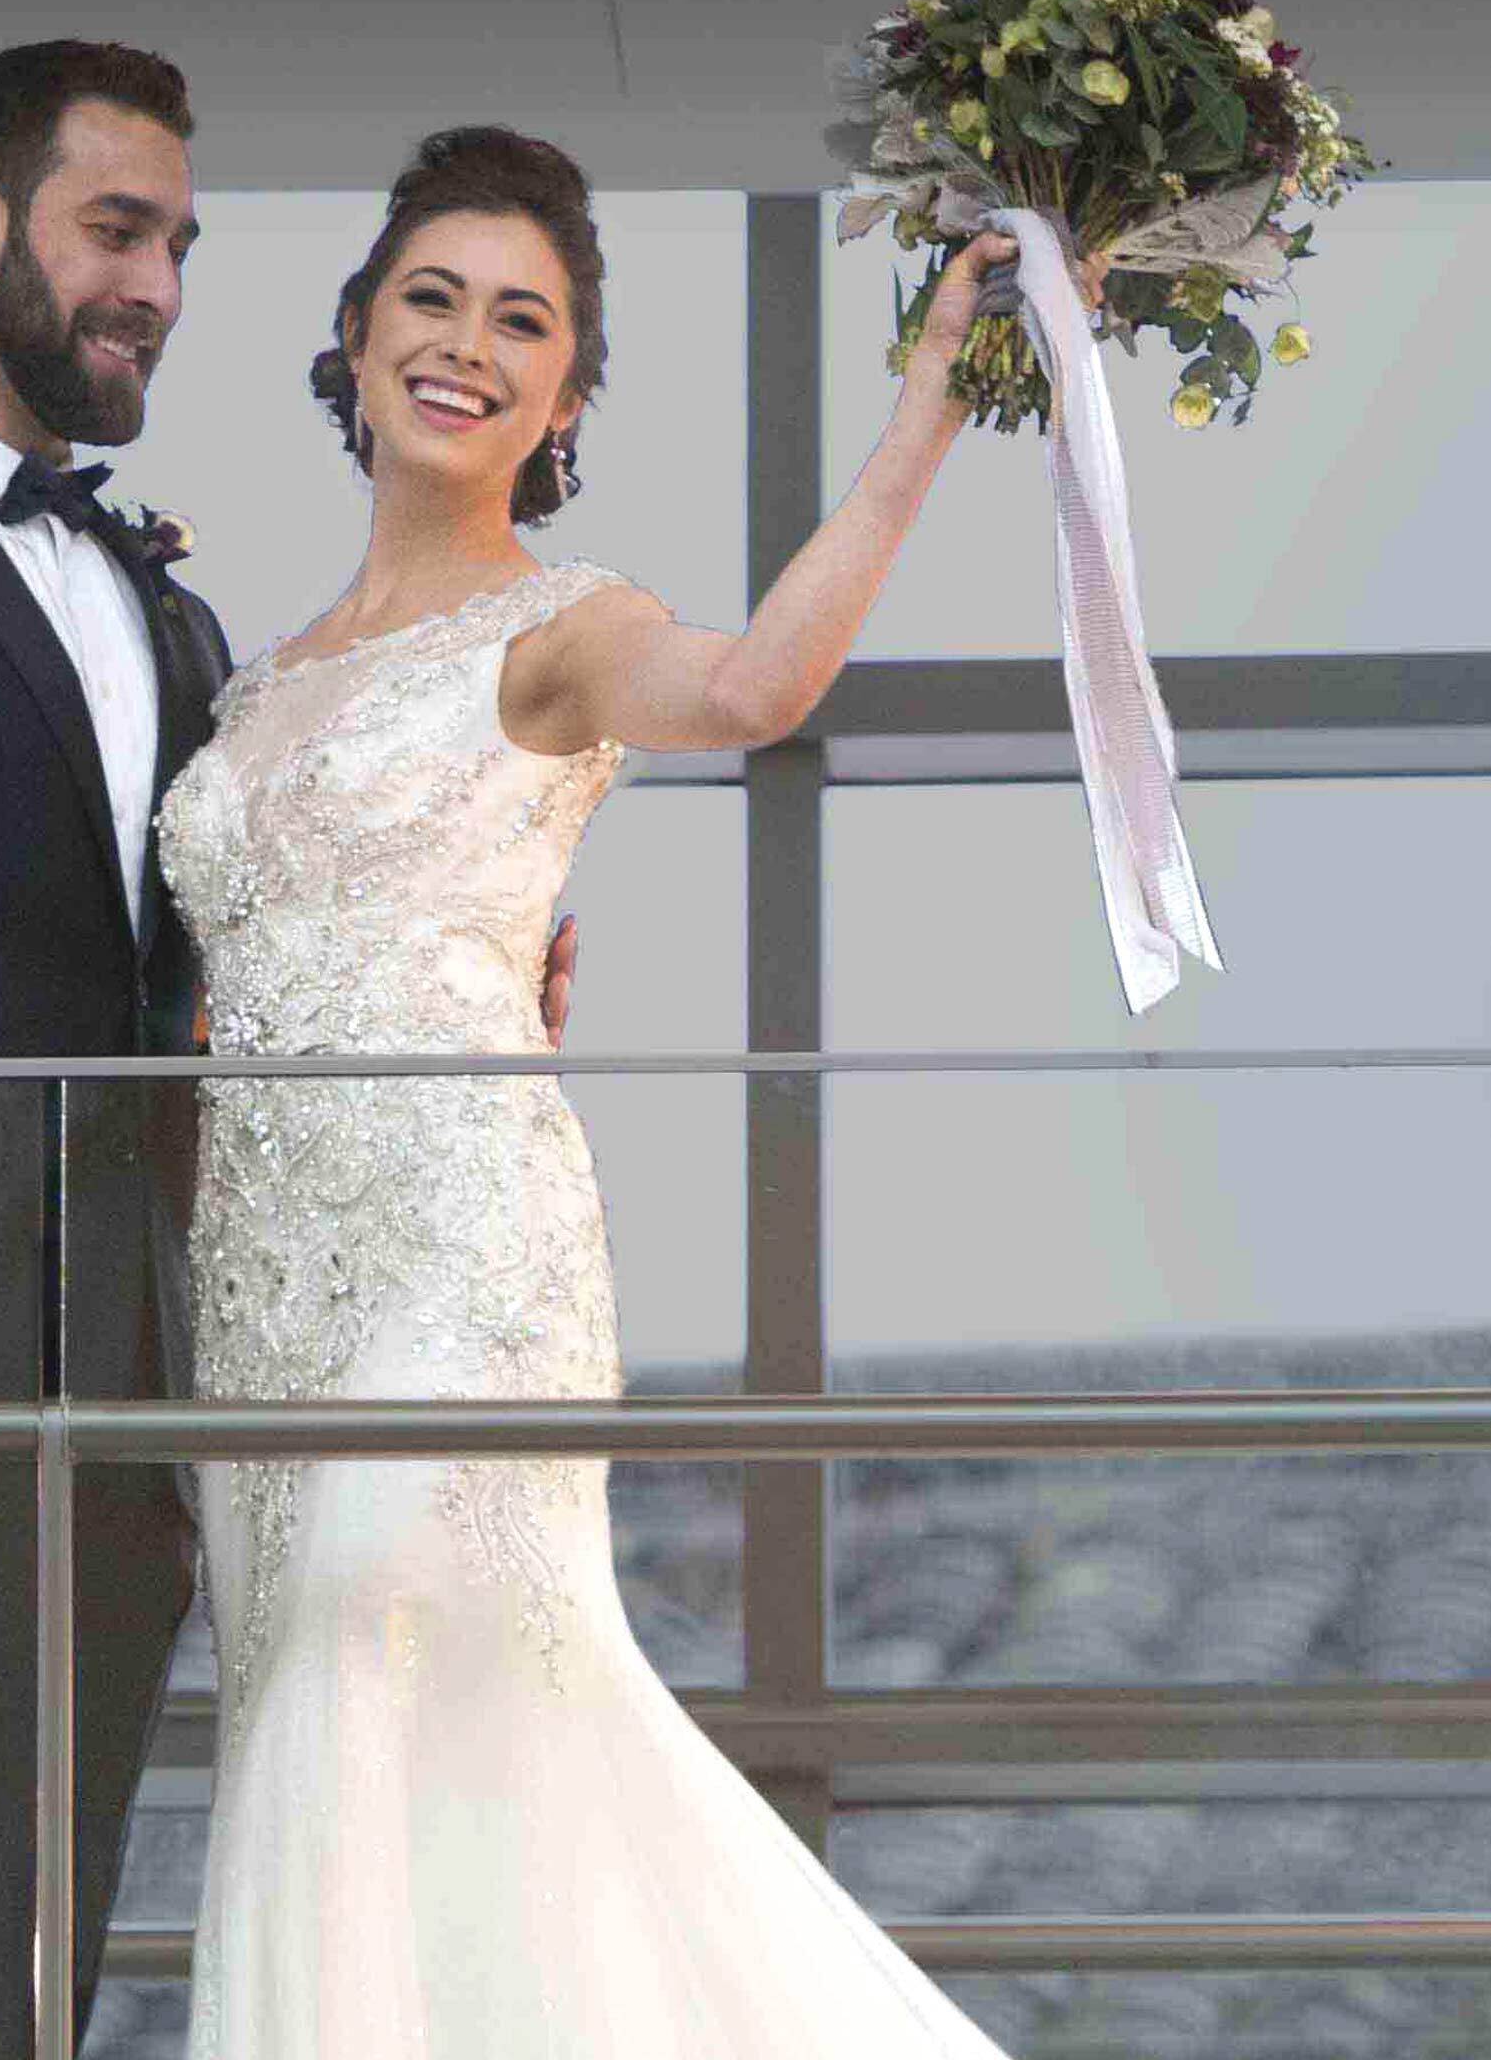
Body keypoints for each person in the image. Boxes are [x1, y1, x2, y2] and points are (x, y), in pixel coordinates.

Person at [0, 45, 578, 2057]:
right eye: (115, 230)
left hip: (125, 1376)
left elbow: (180, 988)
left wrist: (460, 982)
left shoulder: (166, 614)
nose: (155, 282)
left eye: (178, 244)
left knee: (36, 1922)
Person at [155, 124, 1071, 2055]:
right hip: (255, 1310)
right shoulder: (254, 679)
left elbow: (750, 695)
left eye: (523, 322)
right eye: (432, 297)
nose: (466, 345)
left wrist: (919, 411)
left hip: (459, 1268)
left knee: (392, 1690)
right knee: (386, 1753)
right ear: (350, 328)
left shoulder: (563, 627)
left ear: (562, 393)